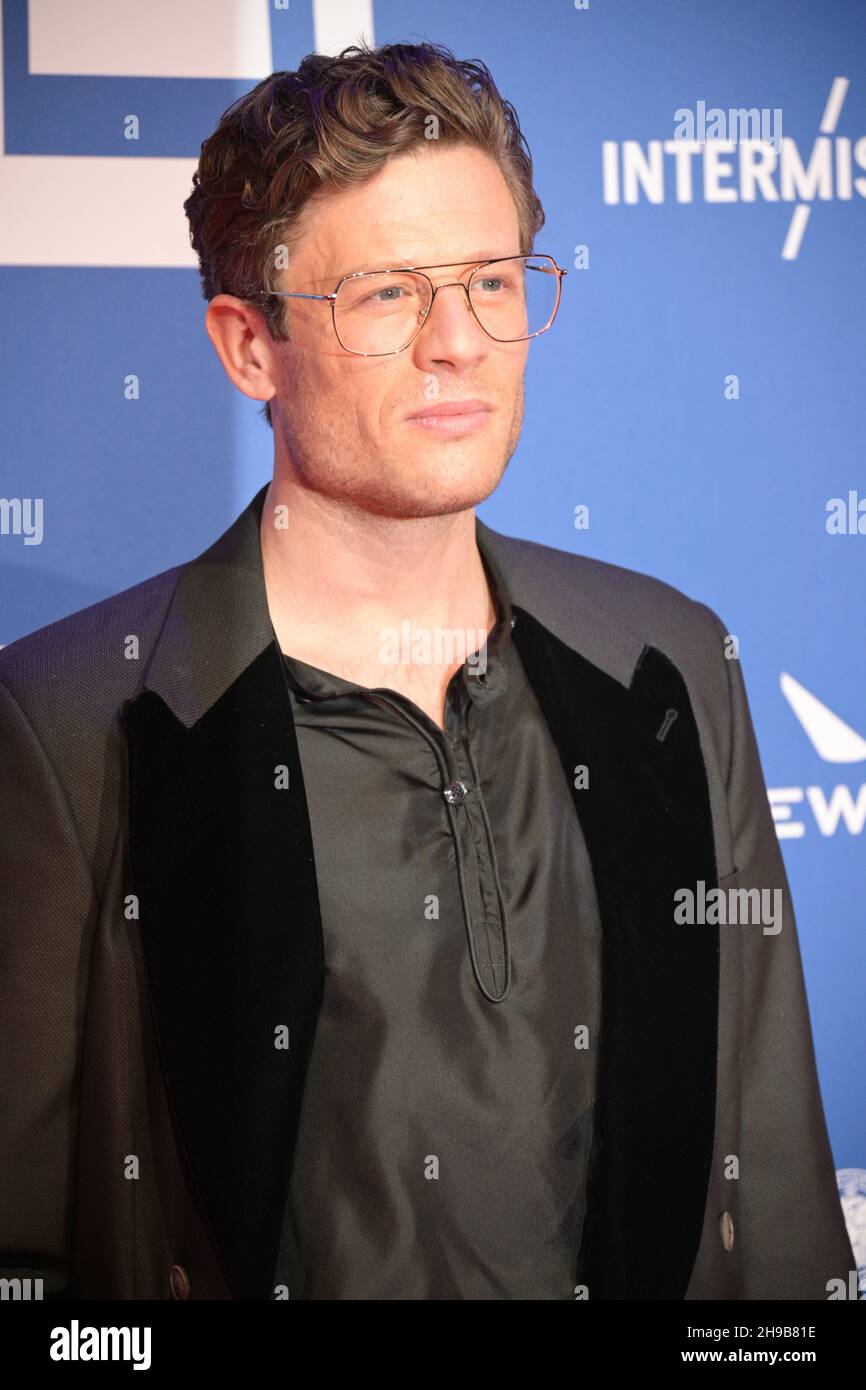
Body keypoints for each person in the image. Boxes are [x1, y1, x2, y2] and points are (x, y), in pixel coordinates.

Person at [0, 40, 855, 1301]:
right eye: (389, 295)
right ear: (249, 346)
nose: (460, 343)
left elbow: (769, 1199)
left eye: (492, 283)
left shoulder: (668, 663)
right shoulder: (70, 719)